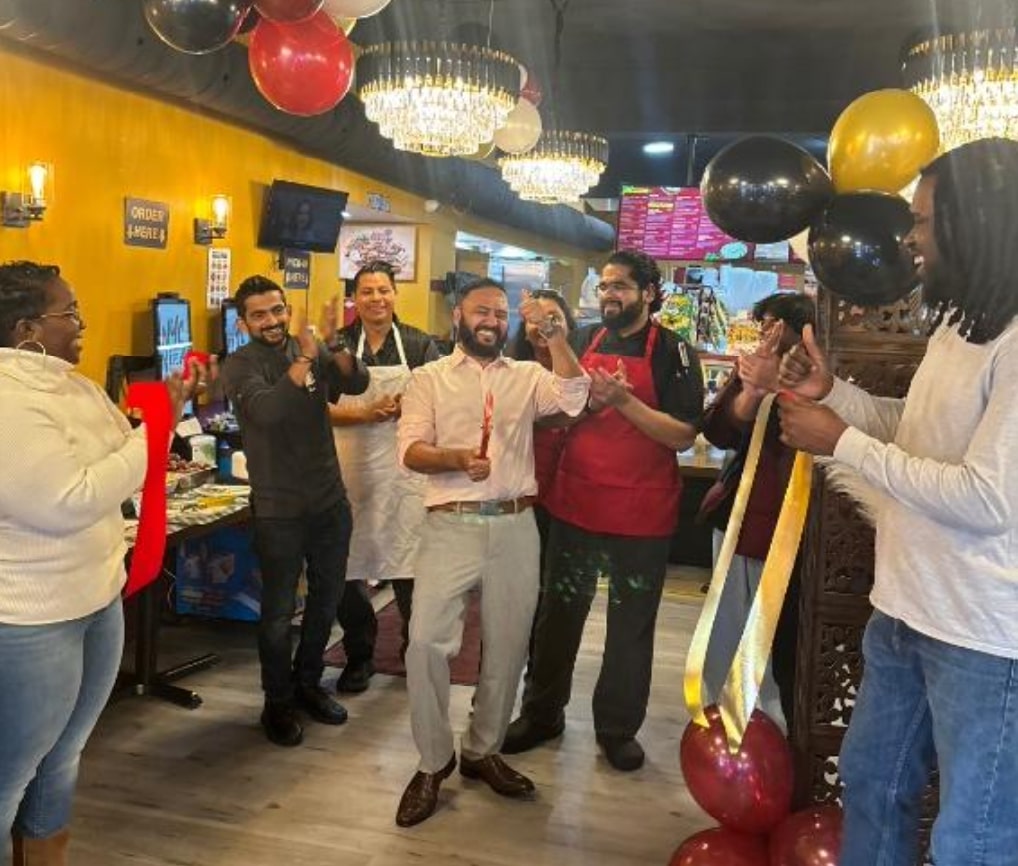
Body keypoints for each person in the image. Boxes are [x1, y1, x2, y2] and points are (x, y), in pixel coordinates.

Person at [776, 138, 1018, 866]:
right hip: (905, 609)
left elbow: (987, 498)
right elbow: (913, 435)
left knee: (972, 840)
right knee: (873, 787)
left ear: (976, 222)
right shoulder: (960, 326)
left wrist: (840, 441)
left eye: (921, 221)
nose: (910, 238)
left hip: (984, 637)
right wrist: (834, 397)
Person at [0, 261, 200, 863]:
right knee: (11, 774)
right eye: (70, 312)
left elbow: (123, 455)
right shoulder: (8, 401)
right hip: (31, 618)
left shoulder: (75, 387)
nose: (82, 324)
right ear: (26, 329)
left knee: (63, 757)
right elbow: (68, 501)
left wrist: (160, 420)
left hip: (96, 596)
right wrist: (155, 431)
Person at [393, 278, 588, 828]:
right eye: (482, 311)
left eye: (501, 315)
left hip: (515, 524)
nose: (492, 321)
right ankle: (434, 760)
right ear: (458, 315)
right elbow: (411, 450)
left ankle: (482, 750)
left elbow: (574, 398)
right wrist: (455, 458)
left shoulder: (527, 375)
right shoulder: (428, 378)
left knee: (507, 647)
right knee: (425, 642)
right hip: (449, 523)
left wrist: (553, 336)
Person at [504, 249, 704, 772]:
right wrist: (582, 397)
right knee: (557, 617)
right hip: (575, 505)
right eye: (605, 286)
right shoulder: (585, 339)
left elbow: (682, 435)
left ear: (649, 293)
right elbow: (556, 410)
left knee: (629, 627)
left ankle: (617, 729)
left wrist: (623, 402)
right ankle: (541, 713)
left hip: (642, 515)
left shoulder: (676, 352)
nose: (610, 295)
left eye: (621, 286)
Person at [220, 275, 369, 748]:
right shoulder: (238, 366)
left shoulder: (307, 347)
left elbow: (355, 381)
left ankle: (308, 683)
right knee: (279, 613)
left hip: (329, 501)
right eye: (259, 314)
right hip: (279, 509)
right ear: (243, 322)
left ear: (286, 309)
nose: (271, 321)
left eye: (277, 310)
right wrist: (305, 359)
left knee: (326, 602)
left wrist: (335, 343)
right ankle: (277, 701)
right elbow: (268, 413)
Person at [698, 291, 816, 732]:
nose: (764, 333)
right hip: (741, 518)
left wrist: (779, 387)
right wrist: (751, 391)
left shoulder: (823, 373)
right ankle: (726, 722)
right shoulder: (752, 365)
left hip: (800, 531)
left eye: (772, 325)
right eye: (762, 323)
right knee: (726, 630)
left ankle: (777, 730)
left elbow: (812, 436)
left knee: (783, 640)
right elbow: (718, 431)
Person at [329, 260, 441, 693]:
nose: (376, 298)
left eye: (383, 290)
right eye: (367, 291)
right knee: (348, 566)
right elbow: (316, 407)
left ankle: (414, 649)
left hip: (405, 473)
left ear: (395, 294)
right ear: (354, 298)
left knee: (410, 564)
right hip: (349, 470)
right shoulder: (338, 346)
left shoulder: (418, 343)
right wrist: (364, 413)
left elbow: (438, 400)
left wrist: (406, 409)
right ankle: (359, 654)